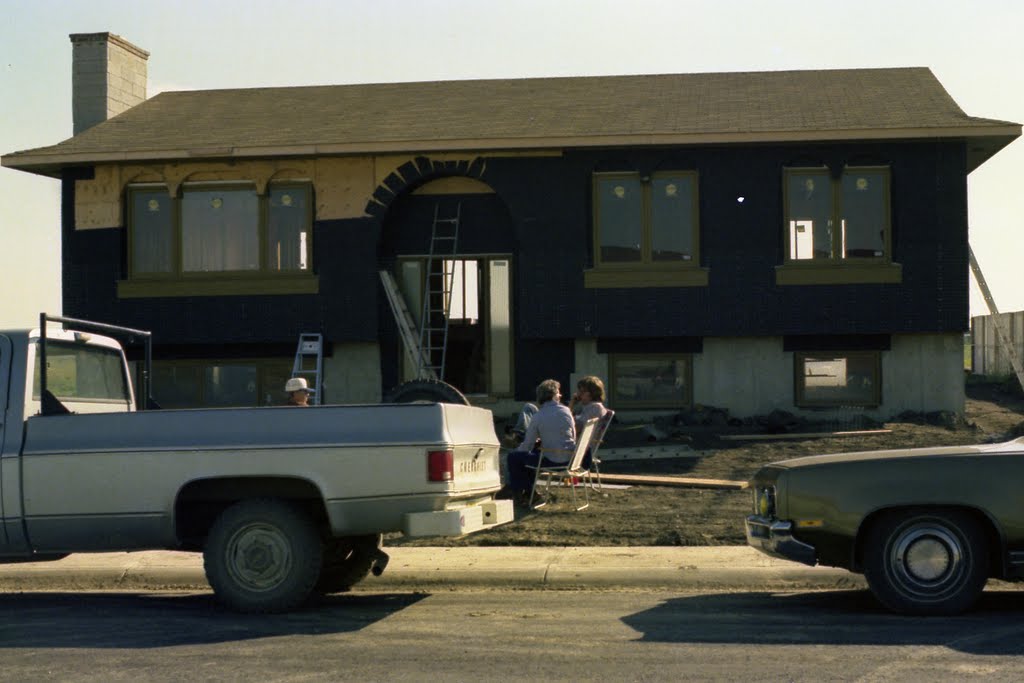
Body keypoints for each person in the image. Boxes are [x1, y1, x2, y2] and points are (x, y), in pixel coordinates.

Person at [505, 379, 576, 502]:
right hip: (570, 458)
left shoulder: (538, 416)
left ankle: (520, 492)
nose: (560, 395)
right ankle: (530, 492)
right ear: (553, 395)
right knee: (531, 457)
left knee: (514, 457)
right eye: (558, 393)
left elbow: (527, 445)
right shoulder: (566, 411)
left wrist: (517, 449)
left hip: (554, 460)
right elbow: (573, 436)